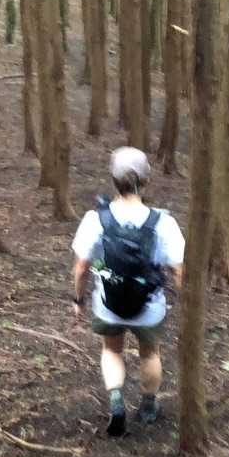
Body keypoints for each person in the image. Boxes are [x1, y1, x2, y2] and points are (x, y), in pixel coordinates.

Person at [71, 147, 185, 437]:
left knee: (111, 350)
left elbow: (82, 267)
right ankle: (148, 406)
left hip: (108, 304)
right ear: (145, 180)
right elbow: (178, 270)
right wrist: (185, 304)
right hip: (149, 307)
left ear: (113, 179)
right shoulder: (164, 222)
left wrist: (79, 300)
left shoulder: (95, 219)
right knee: (150, 353)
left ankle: (116, 402)